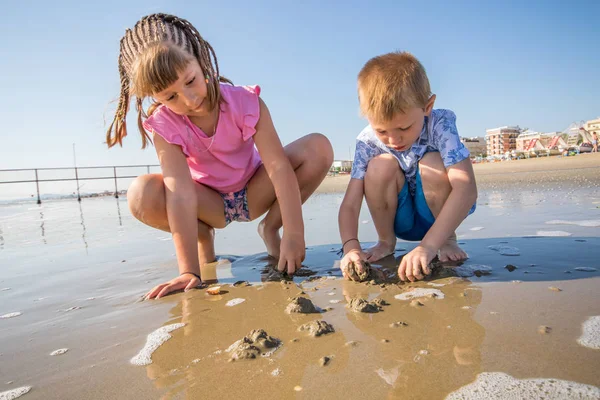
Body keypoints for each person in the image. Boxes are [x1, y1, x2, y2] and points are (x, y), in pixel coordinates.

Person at [106, 13, 333, 299]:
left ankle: (270, 228)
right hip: (209, 203)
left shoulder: (244, 101)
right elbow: (179, 192)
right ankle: (203, 238)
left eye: (190, 81)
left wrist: (294, 233)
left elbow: (277, 167)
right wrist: (189, 271)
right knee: (141, 193)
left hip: (254, 191)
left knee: (318, 146)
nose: (188, 100)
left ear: (201, 62)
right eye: (170, 96)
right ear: (155, 98)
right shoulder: (164, 125)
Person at [338, 52, 477, 282]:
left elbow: (466, 188)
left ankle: (447, 239)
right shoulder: (367, 141)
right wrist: (351, 248)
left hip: (440, 218)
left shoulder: (440, 124)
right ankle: (385, 241)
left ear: (427, 106)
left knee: (432, 161)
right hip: (398, 220)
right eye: (382, 131)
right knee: (379, 166)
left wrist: (428, 247)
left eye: (404, 128)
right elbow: (350, 204)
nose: (394, 140)